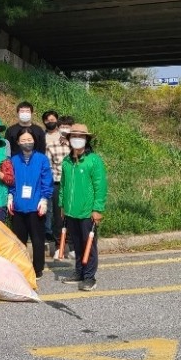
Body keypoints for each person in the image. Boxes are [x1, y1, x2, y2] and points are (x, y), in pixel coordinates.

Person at [59, 124, 107, 291]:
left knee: (88, 245)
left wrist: (97, 209)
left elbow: (100, 186)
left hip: (87, 212)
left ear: (86, 140)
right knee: (77, 244)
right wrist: (62, 205)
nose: (77, 139)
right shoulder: (66, 161)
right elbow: (63, 185)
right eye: (74, 136)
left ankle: (89, 277)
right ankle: (79, 272)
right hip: (71, 211)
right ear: (69, 139)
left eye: (81, 136)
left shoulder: (93, 160)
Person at [8, 129, 53, 278]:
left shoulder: (42, 159)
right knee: (19, 240)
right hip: (18, 206)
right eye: (23, 140)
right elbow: (11, 181)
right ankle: (21, 267)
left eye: (29, 140)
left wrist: (44, 199)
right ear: (18, 142)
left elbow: (47, 180)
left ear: (34, 141)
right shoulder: (14, 160)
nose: (26, 142)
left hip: (36, 205)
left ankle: (37, 268)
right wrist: (10, 196)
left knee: (37, 239)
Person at [43, 110, 70, 256]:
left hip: (74, 185)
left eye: (69, 127)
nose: (66, 130)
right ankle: (59, 245)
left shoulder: (79, 147)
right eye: (63, 127)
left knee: (74, 214)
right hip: (57, 183)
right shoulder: (51, 146)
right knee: (58, 216)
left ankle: (72, 245)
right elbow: (47, 168)